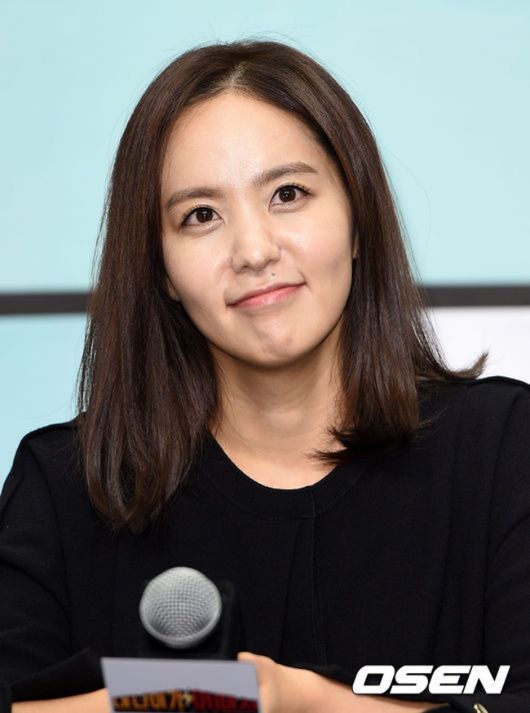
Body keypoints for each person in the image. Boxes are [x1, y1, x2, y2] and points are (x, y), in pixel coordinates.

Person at [1, 38, 529, 713]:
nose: (253, 250)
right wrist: (184, 699)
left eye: (288, 193)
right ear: (161, 268)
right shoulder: (66, 487)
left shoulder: (502, 449)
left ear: (358, 220)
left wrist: (305, 700)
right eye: (200, 215)